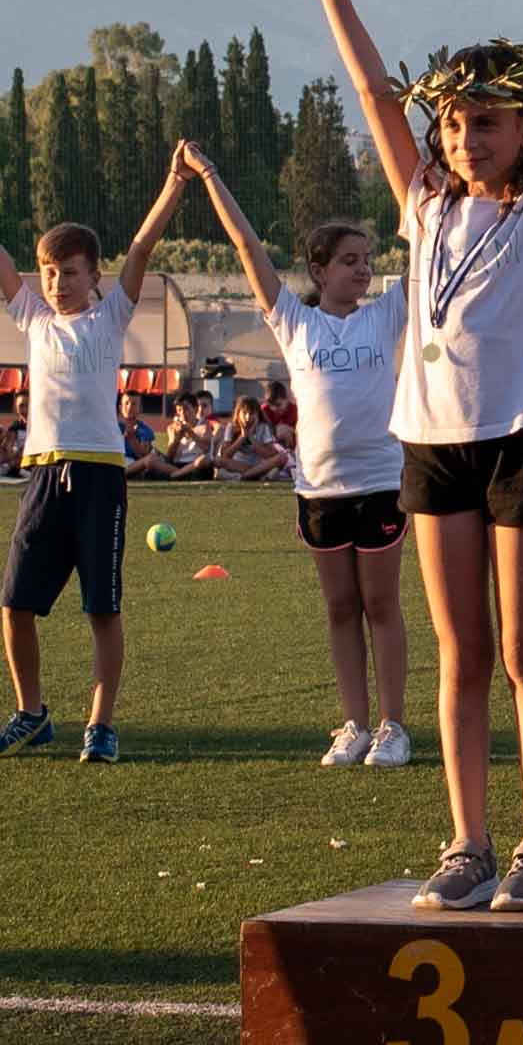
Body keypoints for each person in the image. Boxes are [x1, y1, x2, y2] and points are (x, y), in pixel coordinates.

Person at [300, 0, 523, 912]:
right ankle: (468, 842)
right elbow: (372, 92)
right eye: (452, 122)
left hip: (522, 440)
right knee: (460, 652)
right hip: (434, 444)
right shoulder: (423, 204)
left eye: (486, 122)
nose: (464, 137)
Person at [0, 155, 198, 765]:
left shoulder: (110, 318)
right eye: (48, 272)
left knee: (102, 608)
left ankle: (100, 725)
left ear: (93, 275)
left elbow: (142, 245)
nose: (56, 283)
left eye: (68, 272)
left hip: (100, 477)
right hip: (44, 475)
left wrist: (174, 184)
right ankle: (32, 714)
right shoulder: (34, 319)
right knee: (14, 603)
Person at [193, 167, 412, 770]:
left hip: (380, 483)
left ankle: (393, 726)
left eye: (366, 259)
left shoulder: (385, 315)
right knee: (341, 609)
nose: (363, 269)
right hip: (319, 488)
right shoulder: (295, 321)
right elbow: (245, 246)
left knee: (381, 606)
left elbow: (428, 245)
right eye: (348, 260)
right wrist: (212, 177)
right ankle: (355, 725)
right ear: (318, 271)